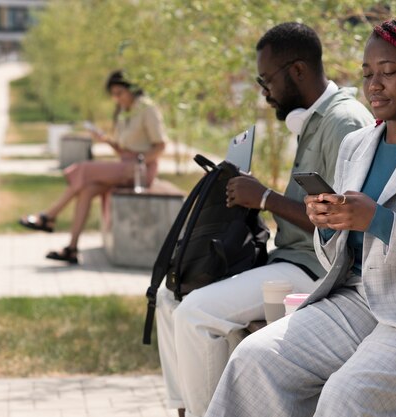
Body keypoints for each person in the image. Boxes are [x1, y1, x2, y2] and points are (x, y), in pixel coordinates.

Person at [205, 18, 396, 417]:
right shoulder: (356, 145)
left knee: (347, 396)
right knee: (254, 358)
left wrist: (379, 220)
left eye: (389, 72)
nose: (374, 84)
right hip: (360, 300)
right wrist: (328, 223)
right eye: (367, 74)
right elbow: (337, 257)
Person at [156, 22, 374, 417]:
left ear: (297, 71)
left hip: (315, 272)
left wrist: (266, 197)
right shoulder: (316, 120)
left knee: (195, 314)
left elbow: (344, 224)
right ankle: (187, 409)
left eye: (266, 79)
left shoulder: (343, 122)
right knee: (169, 296)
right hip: (285, 260)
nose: (264, 91)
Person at [19, 70, 167, 264]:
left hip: (142, 169)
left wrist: (139, 162)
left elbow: (160, 146)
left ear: (132, 89)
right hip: (125, 165)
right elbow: (124, 149)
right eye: (113, 94)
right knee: (87, 189)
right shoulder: (124, 111)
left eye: (119, 93)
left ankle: (49, 216)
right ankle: (71, 249)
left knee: (83, 169)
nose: (116, 98)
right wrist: (106, 140)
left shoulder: (147, 108)